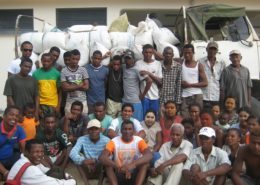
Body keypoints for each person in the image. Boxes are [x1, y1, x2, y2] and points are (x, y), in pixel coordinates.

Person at [99, 120, 153, 185]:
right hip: (118, 172)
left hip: (135, 172)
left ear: (134, 131)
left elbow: (149, 155)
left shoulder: (139, 140)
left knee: (145, 164)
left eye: (130, 129)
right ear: (121, 131)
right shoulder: (114, 141)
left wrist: (132, 165)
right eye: (125, 129)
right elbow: (102, 157)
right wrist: (119, 167)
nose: (127, 132)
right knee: (107, 165)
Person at [6, 139, 76, 185]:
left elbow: (46, 169)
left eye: (42, 151)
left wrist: (66, 175)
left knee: (56, 172)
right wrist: (72, 181)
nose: (40, 155)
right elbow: (53, 184)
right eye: (36, 152)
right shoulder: (31, 170)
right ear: (26, 152)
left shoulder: (23, 161)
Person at [69, 119, 110, 185]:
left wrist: (95, 160)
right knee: (77, 158)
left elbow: (111, 156)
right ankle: (86, 183)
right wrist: (83, 160)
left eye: (96, 129)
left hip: (100, 167)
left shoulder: (106, 140)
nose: (93, 131)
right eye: (91, 129)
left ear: (100, 130)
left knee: (106, 159)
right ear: (87, 130)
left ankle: (100, 183)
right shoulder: (82, 139)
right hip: (87, 168)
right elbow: (72, 153)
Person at [122, 49, 152, 121]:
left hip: (135, 102)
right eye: (126, 58)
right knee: (125, 123)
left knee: (136, 123)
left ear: (133, 59)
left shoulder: (137, 69)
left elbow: (149, 81)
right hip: (125, 101)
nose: (127, 60)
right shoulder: (123, 67)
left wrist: (143, 94)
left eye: (129, 58)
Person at [136, 44, 163, 119]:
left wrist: (149, 73)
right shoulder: (138, 64)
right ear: (142, 52)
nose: (148, 54)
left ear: (152, 53)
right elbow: (137, 80)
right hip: (144, 97)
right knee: (144, 118)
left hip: (155, 96)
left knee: (154, 118)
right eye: (146, 52)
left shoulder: (157, 64)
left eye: (150, 52)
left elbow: (160, 82)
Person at [181, 44, 208, 118]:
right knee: (185, 117)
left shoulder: (198, 65)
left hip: (197, 95)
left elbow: (205, 83)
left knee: (197, 117)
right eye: (185, 53)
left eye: (189, 53)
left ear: (193, 53)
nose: (187, 55)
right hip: (184, 95)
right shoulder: (180, 63)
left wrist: (189, 85)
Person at [0, 106, 26, 180]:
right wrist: (5, 172)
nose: (14, 117)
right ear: (4, 116)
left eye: (17, 116)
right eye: (11, 114)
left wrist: (22, 161)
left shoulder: (19, 129)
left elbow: (23, 150)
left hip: (10, 159)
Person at [33, 53, 61, 118]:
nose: (46, 63)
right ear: (41, 61)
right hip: (41, 105)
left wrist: (58, 106)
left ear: (52, 61)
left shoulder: (57, 74)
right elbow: (34, 92)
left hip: (53, 104)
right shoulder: (35, 74)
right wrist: (37, 109)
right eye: (44, 61)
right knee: (42, 126)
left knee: (52, 125)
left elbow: (60, 92)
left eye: (48, 61)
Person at [61, 49, 89, 115]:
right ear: (70, 58)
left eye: (77, 59)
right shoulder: (64, 71)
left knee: (83, 121)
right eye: (73, 59)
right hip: (70, 102)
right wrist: (79, 85)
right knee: (68, 121)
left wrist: (71, 86)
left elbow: (86, 87)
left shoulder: (83, 70)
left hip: (82, 101)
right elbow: (65, 88)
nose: (75, 61)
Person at [199, 41, 226, 108]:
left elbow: (223, 79)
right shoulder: (200, 62)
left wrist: (222, 92)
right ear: (207, 49)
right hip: (203, 95)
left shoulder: (221, 63)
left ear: (217, 51)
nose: (212, 51)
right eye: (210, 49)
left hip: (216, 95)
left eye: (214, 49)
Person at [159, 47, 182, 116]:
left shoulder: (178, 66)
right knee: (161, 119)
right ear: (163, 54)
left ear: (173, 55)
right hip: (160, 99)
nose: (168, 55)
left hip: (172, 99)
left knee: (172, 119)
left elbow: (179, 84)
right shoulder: (158, 65)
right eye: (166, 53)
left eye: (170, 53)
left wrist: (178, 101)